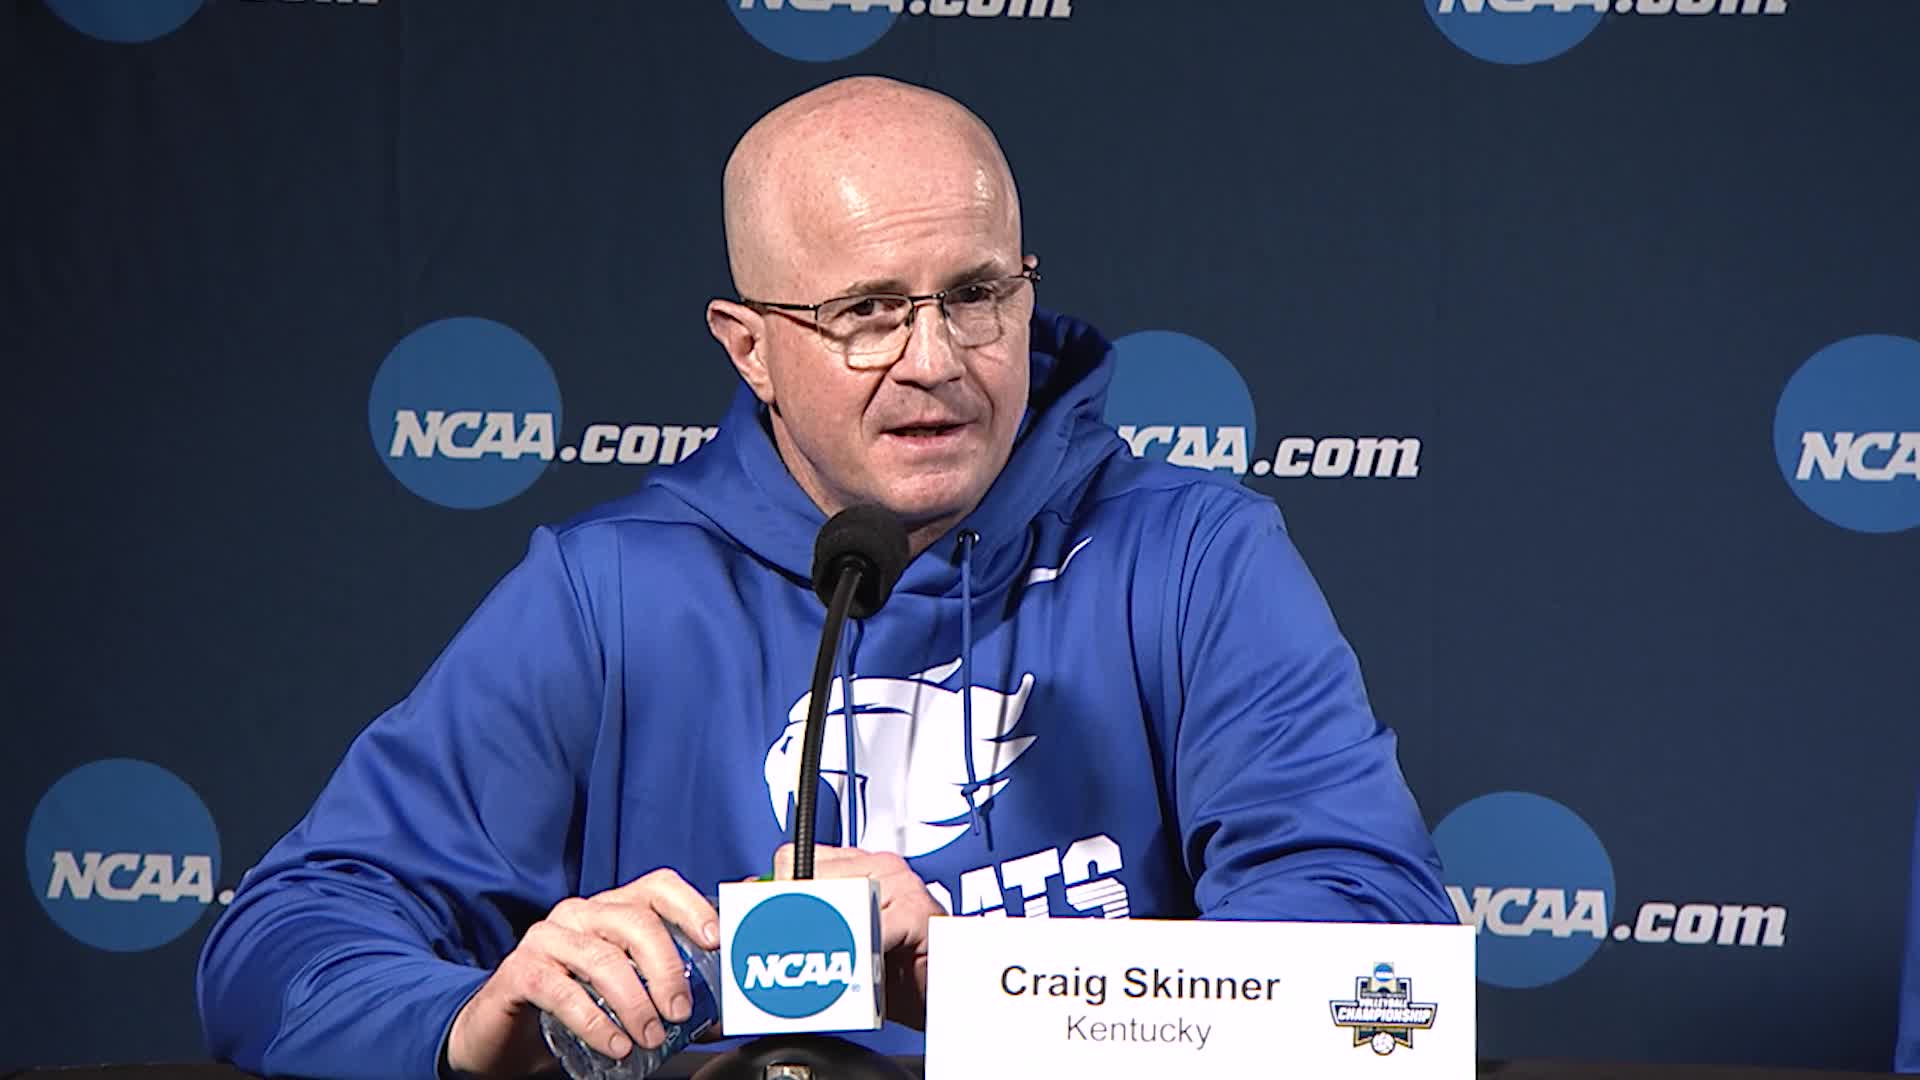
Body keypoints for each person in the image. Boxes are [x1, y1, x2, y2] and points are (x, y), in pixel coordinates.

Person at [196, 75, 1455, 1080]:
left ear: (1027, 294)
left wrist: (979, 985)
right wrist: (476, 1021)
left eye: (974, 295)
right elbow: (280, 942)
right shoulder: (608, 593)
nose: (935, 361)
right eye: (863, 312)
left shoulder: (1193, 556)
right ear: (749, 347)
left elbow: (1378, 975)